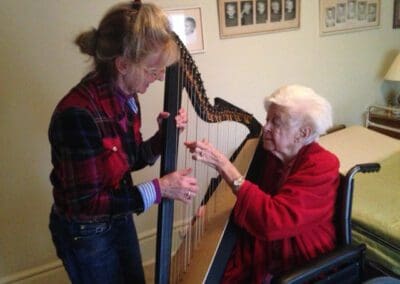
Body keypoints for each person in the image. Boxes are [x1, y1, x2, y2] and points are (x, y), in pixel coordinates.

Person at [48, 2, 199, 284]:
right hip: (87, 231)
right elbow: (87, 204)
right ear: (123, 64)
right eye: (153, 70)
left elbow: (129, 160)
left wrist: (161, 139)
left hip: (118, 214)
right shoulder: (78, 115)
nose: (160, 77)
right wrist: (160, 188)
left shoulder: (126, 96)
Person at [185, 85, 340, 283]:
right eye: (267, 119)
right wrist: (213, 211)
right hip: (267, 243)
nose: (265, 127)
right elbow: (256, 200)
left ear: (303, 133)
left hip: (300, 257)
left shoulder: (322, 165)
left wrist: (224, 165)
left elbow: (273, 222)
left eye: (276, 122)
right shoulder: (271, 156)